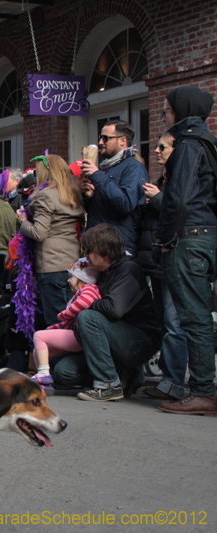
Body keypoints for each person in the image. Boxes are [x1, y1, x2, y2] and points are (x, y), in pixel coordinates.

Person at [155, 86, 217, 415]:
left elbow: (177, 198)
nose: (164, 116)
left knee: (194, 319)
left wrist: (165, 240)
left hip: (189, 238)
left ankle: (204, 391)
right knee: (198, 318)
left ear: (181, 110)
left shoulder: (190, 145)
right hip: (204, 235)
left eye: (166, 111)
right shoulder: (207, 142)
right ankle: (204, 389)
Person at [75, 224, 161, 402]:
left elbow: (114, 309)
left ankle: (108, 385)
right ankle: (124, 374)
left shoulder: (128, 268)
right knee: (63, 372)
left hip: (140, 341)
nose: (85, 255)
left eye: (88, 250)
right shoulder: (104, 269)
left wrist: (87, 303)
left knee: (87, 317)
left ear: (104, 252)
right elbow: (74, 269)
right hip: (120, 336)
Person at [138, 131, 188, 401]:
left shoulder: (180, 181)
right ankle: (167, 379)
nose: (156, 151)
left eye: (162, 147)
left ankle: (174, 382)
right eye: (156, 146)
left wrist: (157, 200)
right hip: (155, 260)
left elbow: (180, 211)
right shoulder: (162, 180)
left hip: (173, 258)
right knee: (163, 321)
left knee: (173, 322)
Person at [16, 154, 85, 326]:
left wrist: (23, 222)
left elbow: (39, 233)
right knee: (71, 319)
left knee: (56, 321)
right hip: (72, 264)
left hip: (52, 265)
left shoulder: (45, 196)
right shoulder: (72, 194)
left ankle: (58, 354)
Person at [31, 258, 100, 394]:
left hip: (78, 336)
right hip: (74, 333)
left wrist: (64, 314)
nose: (68, 281)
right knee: (38, 351)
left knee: (38, 336)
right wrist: (55, 327)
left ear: (82, 278)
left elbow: (84, 303)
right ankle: (45, 380)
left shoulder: (89, 289)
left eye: (71, 277)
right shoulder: (81, 292)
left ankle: (44, 374)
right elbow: (70, 320)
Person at [80, 120, 147, 254]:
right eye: (100, 138)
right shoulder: (108, 168)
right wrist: (89, 196)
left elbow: (126, 203)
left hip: (116, 249)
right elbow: (105, 207)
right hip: (98, 247)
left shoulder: (133, 167)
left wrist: (97, 175)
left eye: (106, 138)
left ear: (122, 140)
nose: (100, 143)